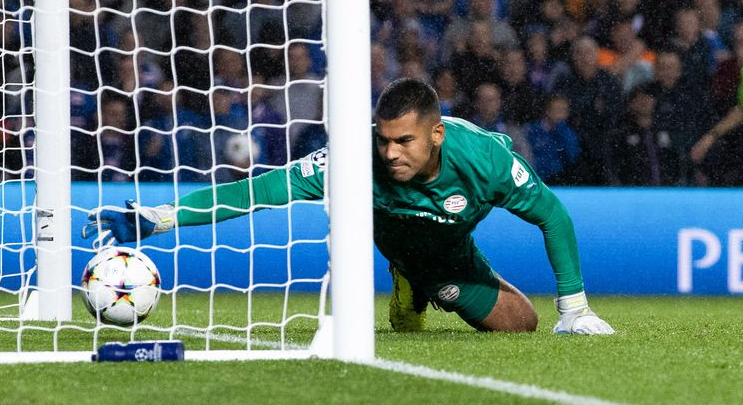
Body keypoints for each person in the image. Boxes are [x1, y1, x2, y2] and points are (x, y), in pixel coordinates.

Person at [82, 78, 614, 335]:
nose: (390, 152)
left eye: (404, 141)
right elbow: (260, 191)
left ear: (436, 134)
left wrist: (575, 309)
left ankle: (421, 280)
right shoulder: (355, 156)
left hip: (449, 254)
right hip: (400, 241)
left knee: (522, 326)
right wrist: (163, 216)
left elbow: (553, 214)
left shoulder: (486, 160)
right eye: (384, 140)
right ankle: (411, 273)